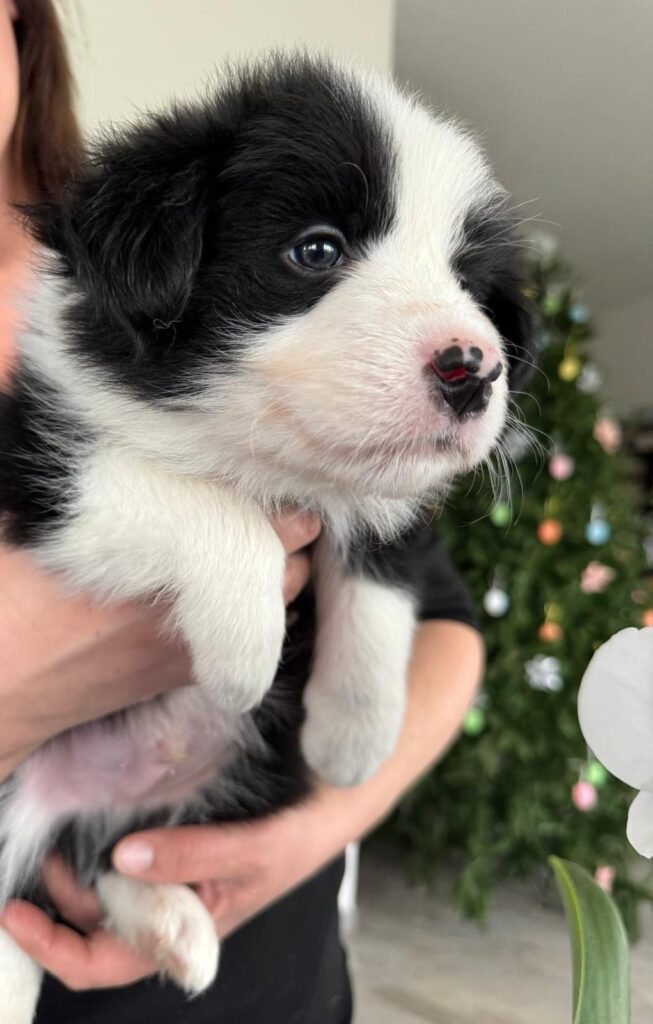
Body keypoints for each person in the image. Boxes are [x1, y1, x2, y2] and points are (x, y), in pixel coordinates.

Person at [0, 2, 484, 1021]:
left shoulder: (174, 205)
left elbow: (434, 614)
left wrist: (306, 833)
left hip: (275, 962)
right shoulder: (115, 297)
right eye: (318, 254)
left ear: (19, 24)